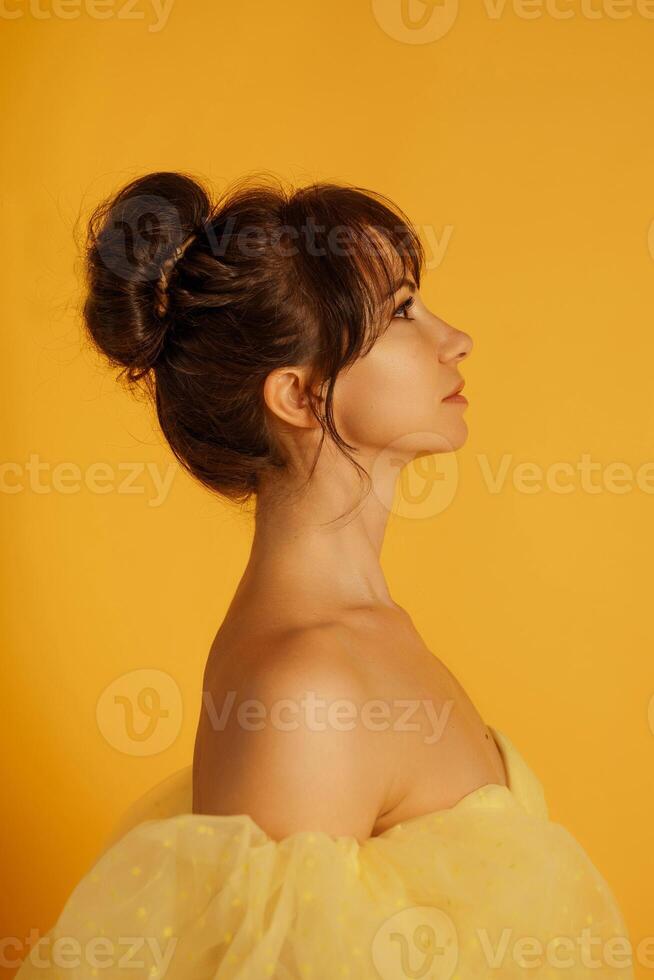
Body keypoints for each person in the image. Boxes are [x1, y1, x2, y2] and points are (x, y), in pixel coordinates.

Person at [17, 172, 634, 979]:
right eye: (403, 312)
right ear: (302, 395)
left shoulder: (368, 630)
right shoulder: (303, 687)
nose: (457, 340)